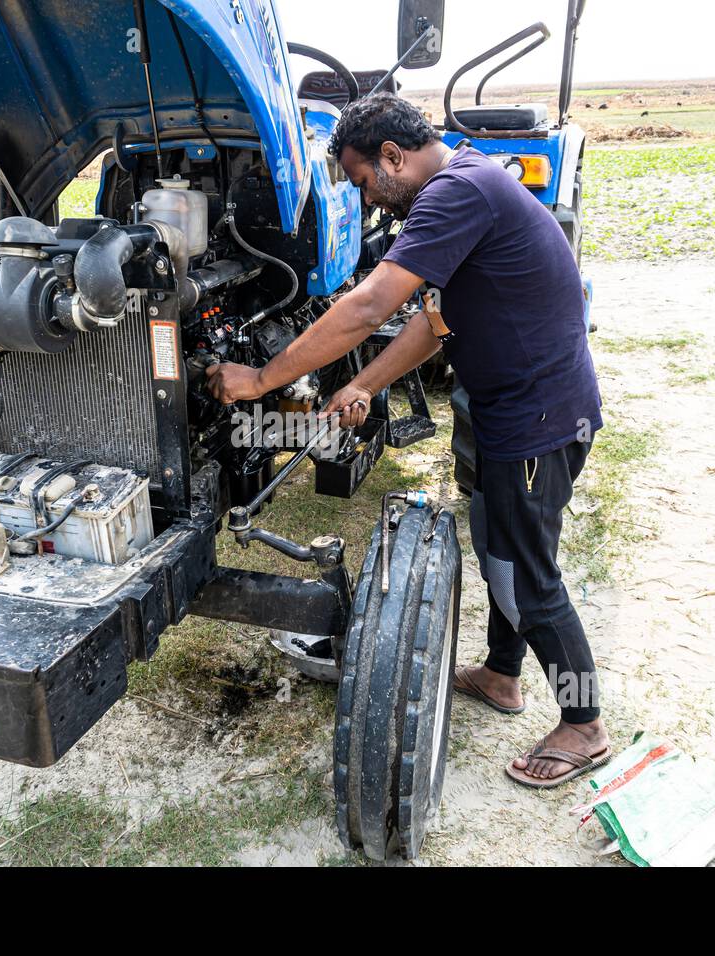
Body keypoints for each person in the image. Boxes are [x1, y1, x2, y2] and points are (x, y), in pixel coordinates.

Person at [206, 93, 609, 787]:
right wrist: (368, 385)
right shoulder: (471, 180)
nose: (371, 200)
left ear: (393, 156)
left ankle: (584, 723)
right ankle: (504, 676)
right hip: (508, 407)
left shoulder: (456, 192)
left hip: (537, 420)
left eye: (365, 181)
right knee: (496, 546)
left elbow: (368, 307)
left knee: (526, 574)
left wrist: (260, 379)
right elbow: (436, 321)